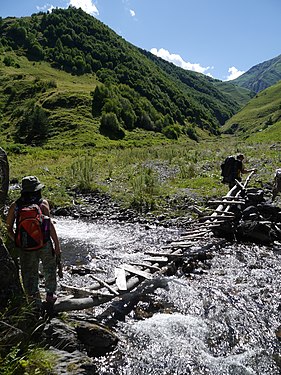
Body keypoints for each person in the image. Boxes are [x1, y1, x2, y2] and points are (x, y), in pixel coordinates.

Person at [6, 176, 61, 307]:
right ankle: (50, 295)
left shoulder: (15, 206)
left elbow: (8, 227)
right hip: (44, 243)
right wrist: (57, 246)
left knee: (28, 272)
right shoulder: (43, 203)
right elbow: (50, 226)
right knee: (49, 268)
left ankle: (33, 301)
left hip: (25, 246)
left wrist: (17, 240)